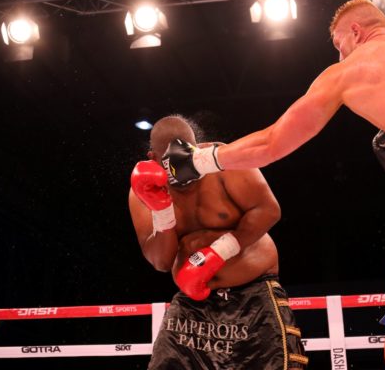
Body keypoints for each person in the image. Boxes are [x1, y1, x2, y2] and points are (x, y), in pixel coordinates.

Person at [163, 0, 385, 369]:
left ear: (356, 31)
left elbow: (272, 143)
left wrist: (199, 161)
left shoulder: (346, 72)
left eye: (338, 44)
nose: (339, 54)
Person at [128, 115, 308, 370]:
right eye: (170, 162)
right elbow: (161, 262)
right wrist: (161, 210)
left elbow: (268, 209)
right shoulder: (143, 191)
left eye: (185, 156)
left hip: (254, 296)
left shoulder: (222, 160)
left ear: (195, 148)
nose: (180, 168)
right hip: (193, 306)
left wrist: (219, 252)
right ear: (153, 158)